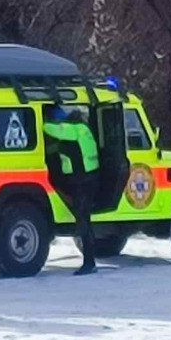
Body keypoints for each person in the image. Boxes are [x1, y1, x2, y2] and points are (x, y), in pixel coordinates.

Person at [43, 107, 101, 276]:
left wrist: (39, 121)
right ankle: (90, 261)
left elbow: (54, 130)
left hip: (83, 182)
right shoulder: (83, 130)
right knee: (84, 220)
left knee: (83, 221)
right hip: (88, 179)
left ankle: (89, 263)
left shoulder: (74, 130)